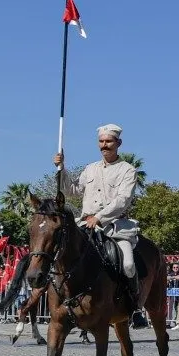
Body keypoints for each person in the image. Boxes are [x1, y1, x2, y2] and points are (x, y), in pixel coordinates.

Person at [54, 124, 141, 298]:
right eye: (101, 141)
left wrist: (100, 217)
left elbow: (122, 200)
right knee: (58, 253)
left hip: (116, 227)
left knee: (128, 265)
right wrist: (62, 169)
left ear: (118, 143)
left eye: (109, 141)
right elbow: (73, 190)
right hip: (85, 224)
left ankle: (134, 303)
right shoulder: (90, 168)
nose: (104, 145)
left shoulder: (128, 170)